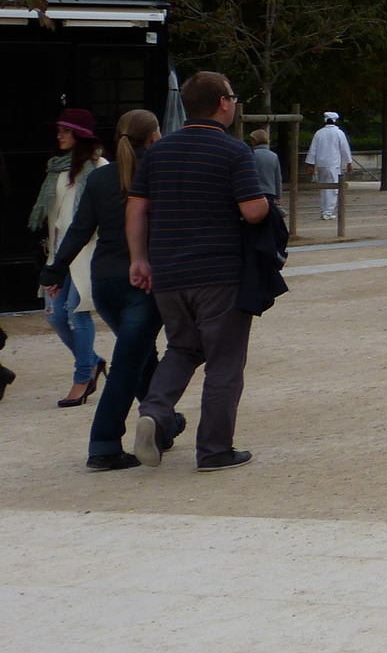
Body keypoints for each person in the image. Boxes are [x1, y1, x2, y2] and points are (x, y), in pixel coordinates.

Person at [128, 70, 270, 472]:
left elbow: (137, 207)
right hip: (219, 272)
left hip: (169, 273)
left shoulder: (158, 151)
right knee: (224, 362)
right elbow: (251, 210)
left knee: (182, 348)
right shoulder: (234, 151)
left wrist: (139, 258)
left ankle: (154, 413)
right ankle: (213, 450)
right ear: (223, 102)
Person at [42, 109, 174, 469]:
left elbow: (80, 230)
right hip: (142, 282)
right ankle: (103, 444)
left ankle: (165, 422)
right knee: (130, 363)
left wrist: (53, 270)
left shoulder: (101, 179)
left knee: (142, 356)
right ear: (153, 137)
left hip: (105, 282)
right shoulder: (161, 175)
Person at [32, 109, 108, 407]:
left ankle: (81, 378)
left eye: (65, 131)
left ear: (80, 136)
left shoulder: (99, 167)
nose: (59, 136)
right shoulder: (56, 170)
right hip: (59, 252)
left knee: (76, 312)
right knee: (55, 316)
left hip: (87, 251)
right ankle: (92, 361)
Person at [304, 111, 353, 222]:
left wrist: (310, 164)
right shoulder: (339, 133)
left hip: (321, 164)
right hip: (333, 164)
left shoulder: (319, 133)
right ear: (335, 121)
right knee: (332, 190)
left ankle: (323, 210)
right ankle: (328, 212)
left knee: (323, 188)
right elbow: (345, 148)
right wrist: (349, 162)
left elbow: (313, 149)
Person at [246, 129, 282, 202]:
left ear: (255, 140)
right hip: (270, 192)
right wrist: (279, 195)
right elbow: (278, 178)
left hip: (254, 191)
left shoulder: (251, 155)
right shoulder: (274, 156)